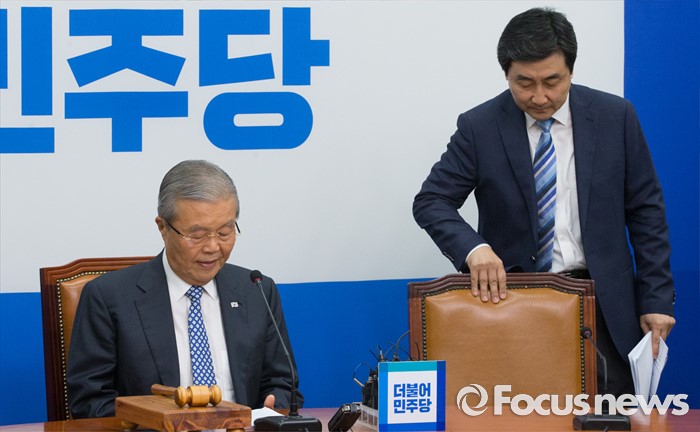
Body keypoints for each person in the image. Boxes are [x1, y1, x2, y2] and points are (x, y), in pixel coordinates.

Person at [412, 7, 675, 396]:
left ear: (571, 70)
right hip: (515, 304)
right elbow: (432, 200)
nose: (539, 97)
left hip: (604, 306)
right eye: (524, 83)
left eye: (553, 81)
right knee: (518, 412)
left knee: (609, 415)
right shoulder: (480, 127)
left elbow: (646, 213)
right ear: (506, 74)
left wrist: (656, 299)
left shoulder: (615, 117)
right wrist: (475, 250)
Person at [67, 160, 301, 418]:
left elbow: (283, 383)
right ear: (163, 227)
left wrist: (272, 408)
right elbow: (89, 402)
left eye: (225, 233)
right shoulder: (109, 297)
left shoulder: (256, 290)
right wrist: (162, 420)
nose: (213, 247)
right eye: (197, 235)